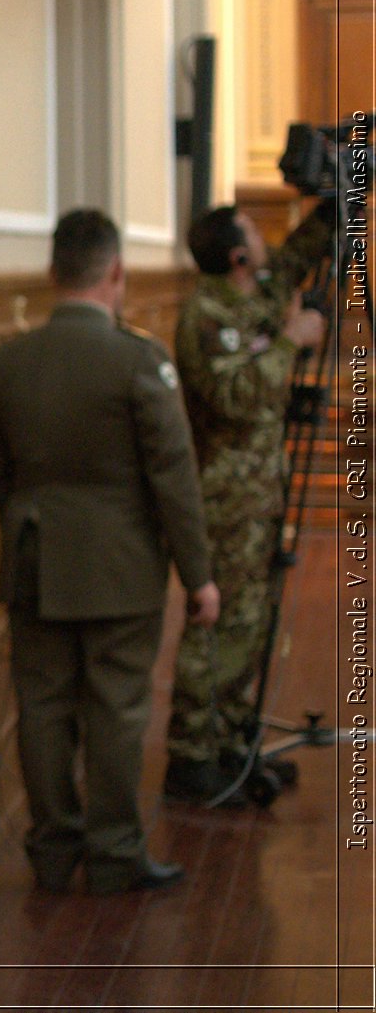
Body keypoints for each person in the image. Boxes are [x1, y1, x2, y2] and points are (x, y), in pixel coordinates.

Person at [0, 209, 219, 894]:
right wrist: (198, 575)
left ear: (54, 272)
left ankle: (53, 848)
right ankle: (115, 851)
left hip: (32, 558)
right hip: (120, 565)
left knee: (44, 707)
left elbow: (4, 475)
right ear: (114, 272)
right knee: (116, 707)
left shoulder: (7, 362)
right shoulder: (138, 360)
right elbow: (173, 479)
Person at [163, 201, 332, 803]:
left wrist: (339, 202)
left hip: (260, 491)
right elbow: (234, 394)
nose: (265, 241)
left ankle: (232, 744)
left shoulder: (249, 294)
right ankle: (190, 759)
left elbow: (292, 263)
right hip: (226, 500)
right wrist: (290, 341)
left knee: (252, 623)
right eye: (255, 234)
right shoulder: (205, 315)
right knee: (219, 626)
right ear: (237, 255)